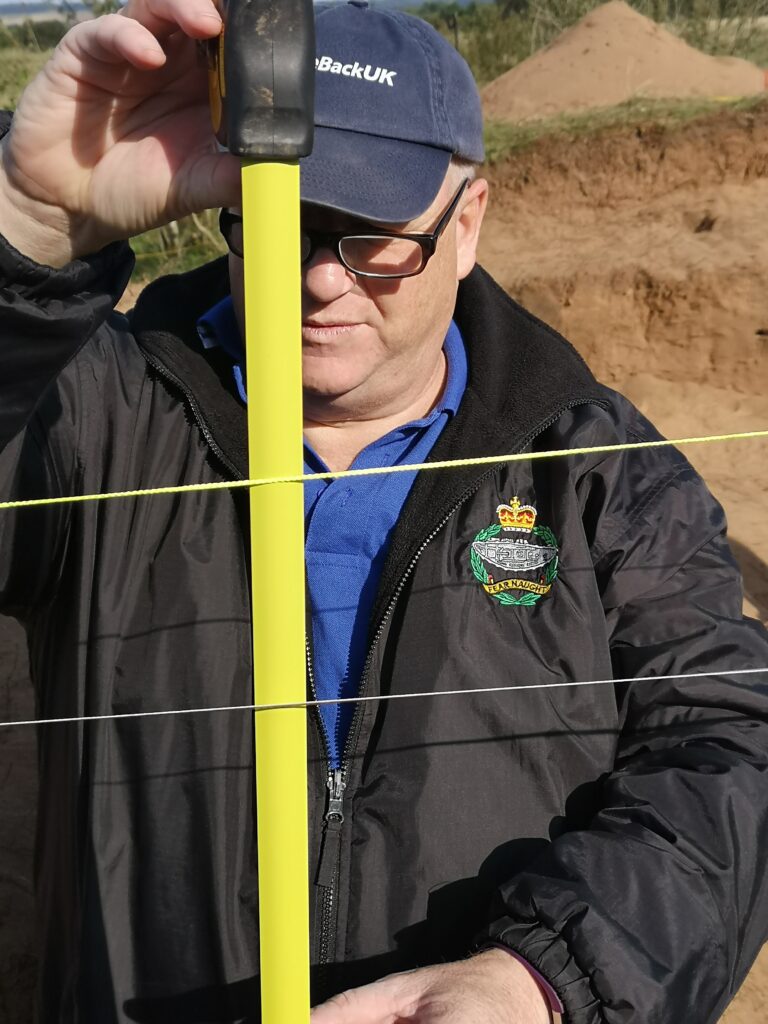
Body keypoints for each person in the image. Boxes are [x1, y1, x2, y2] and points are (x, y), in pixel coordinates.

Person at [0, 2, 767, 1022]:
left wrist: (542, 979)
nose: (321, 281)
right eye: (286, 227)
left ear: (472, 218)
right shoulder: (88, 414)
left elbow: (729, 752)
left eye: (373, 240)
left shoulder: (595, 468)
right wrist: (26, 227)